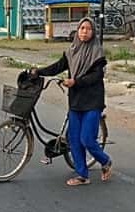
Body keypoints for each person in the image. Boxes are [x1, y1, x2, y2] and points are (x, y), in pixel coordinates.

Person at [30, 17, 113, 186]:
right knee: (74, 140)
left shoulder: (98, 52)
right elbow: (58, 66)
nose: (84, 31)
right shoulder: (72, 50)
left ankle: (105, 161)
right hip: (75, 100)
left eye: (88, 29)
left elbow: (96, 76)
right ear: (77, 30)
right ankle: (82, 175)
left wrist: (76, 82)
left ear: (93, 32)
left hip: (92, 100)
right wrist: (38, 72)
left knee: (87, 139)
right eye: (82, 28)